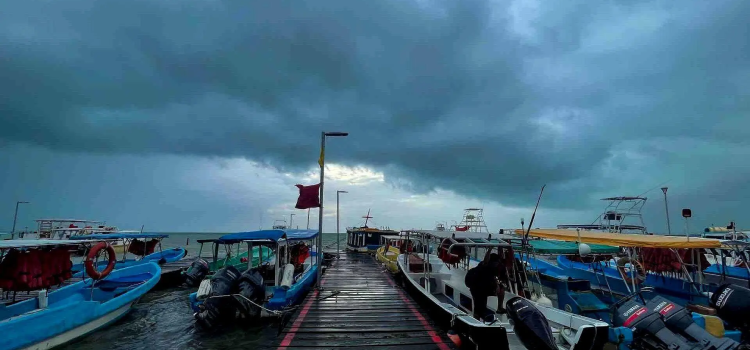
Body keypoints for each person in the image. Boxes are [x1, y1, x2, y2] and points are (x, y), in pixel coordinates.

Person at [465, 252, 506, 321]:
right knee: (479, 308)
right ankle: (476, 323)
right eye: (496, 262)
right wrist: (489, 250)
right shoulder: (484, 265)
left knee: (501, 289)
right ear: (492, 262)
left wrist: (496, 285)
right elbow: (486, 261)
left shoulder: (494, 268)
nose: (497, 264)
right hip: (476, 288)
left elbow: (500, 257)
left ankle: (500, 307)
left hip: (485, 286)